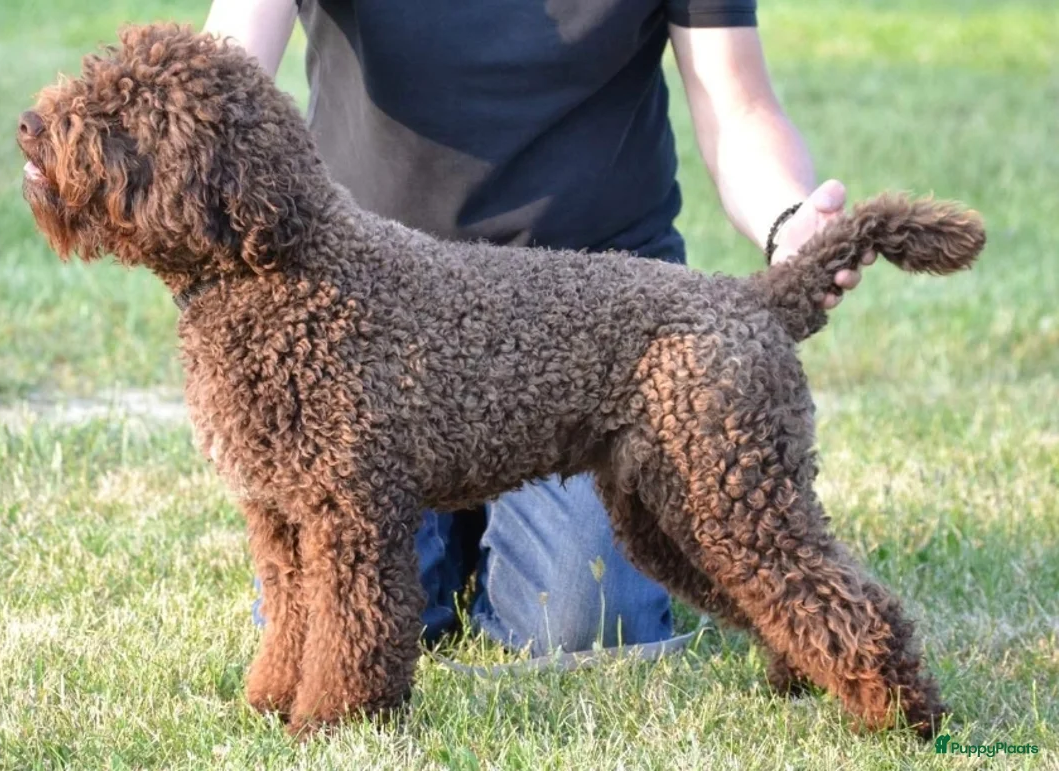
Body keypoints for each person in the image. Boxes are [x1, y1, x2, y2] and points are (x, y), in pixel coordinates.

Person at [203, 0, 873, 657]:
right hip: (369, 327)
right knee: (338, 615)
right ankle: (458, 530)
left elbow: (739, 107)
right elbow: (223, 72)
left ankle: (480, 529)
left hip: (594, 334)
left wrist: (788, 222)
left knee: (581, 620)